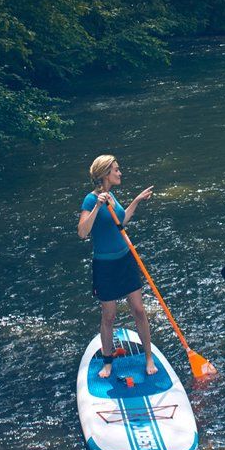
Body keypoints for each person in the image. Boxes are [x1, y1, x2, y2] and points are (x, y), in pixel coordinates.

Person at [78, 155, 157, 378]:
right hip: (105, 265)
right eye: (116, 170)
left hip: (125, 260)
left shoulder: (112, 195)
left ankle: (148, 357)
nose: (120, 173)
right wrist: (97, 206)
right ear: (105, 174)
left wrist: (137, 200)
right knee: (109, 315)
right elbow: (83, 232)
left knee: (139, 310)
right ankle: (108, 362)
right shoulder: (91, 199)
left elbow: (119, 222)